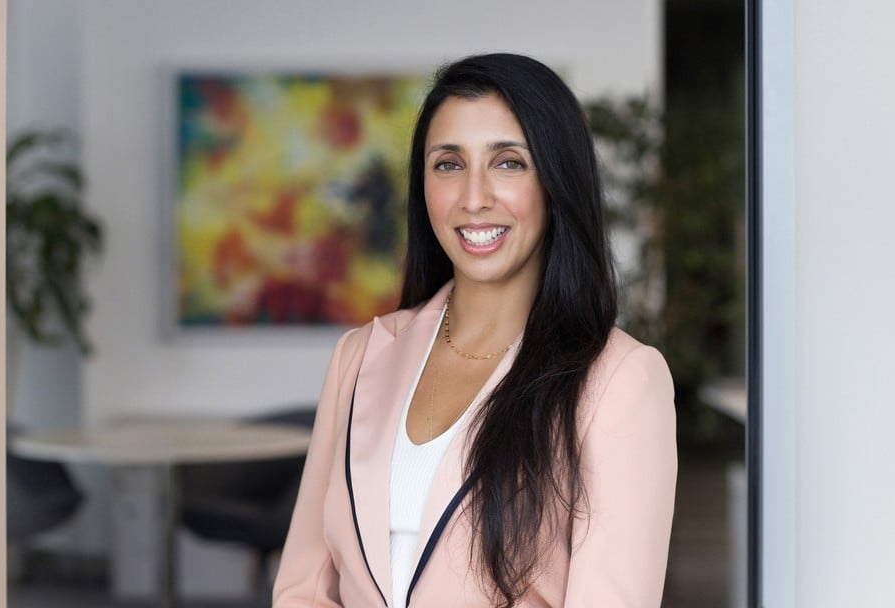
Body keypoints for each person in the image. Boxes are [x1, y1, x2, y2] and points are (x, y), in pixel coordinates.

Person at [273, 53, 676, 608]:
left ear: (557, 180)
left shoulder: (620, 380)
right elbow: (303, 589)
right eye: (448, 164)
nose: (474, 197)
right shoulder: (359, 357)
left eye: (508, 163)